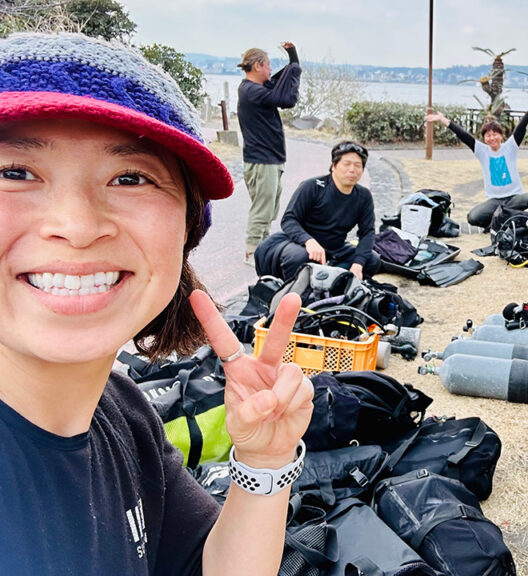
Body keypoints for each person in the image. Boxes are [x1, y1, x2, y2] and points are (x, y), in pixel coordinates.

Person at [0, 33, 313, 574]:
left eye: (131, 178)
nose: (76, 227)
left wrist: (265, 461)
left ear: (185, 232)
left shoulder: (122, 410)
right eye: (14, 173)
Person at [255, 141, 381, 282]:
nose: (352, 169)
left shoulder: (363, 196)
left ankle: (336, 285)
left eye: (358, 165)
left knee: (372, 260)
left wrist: (358, 264)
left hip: (335, 248)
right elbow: (289, 220)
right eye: (346, 164)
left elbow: (367, 233)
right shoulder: (312, 187)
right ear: (334, 166)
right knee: (299, 257)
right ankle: (295, 294)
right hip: (300, 243)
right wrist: (309, 241)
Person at [425, 90, 528, 228]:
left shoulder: (510, 146)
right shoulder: (482, 151)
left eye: (495, 134)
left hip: (514, 198)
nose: (492, 138)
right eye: (488, 136)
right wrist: (443, 120)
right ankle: (502, 220)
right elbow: (463, 135)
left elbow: (522, 126)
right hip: (494, 202)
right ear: (484, 139)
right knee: (473, 217)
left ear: (501, 136)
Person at [237, 42, 302, 266]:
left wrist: (293, 57)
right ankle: (252, 252)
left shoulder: (257, 90)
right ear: (257, 66)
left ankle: (261, 249)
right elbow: (284, 98)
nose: (270, 71)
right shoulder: (251, 91)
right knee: (262, 209)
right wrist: (294, 64)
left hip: (270, 159)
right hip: (261, 160)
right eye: (268, 66)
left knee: (270, 208)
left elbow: (279, 88)